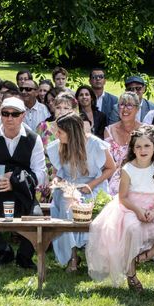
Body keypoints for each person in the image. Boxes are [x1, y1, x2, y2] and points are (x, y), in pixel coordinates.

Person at [85, 125, 154, 291]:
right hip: (130, 207)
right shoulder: (128, 169)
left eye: (147, 146)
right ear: (133, 150)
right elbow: (122, 197)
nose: (143, 150)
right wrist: (138, 211)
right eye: (138, 146)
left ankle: (149, 254)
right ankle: (131, 272)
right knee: (132, 229)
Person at [0, 97, 47, 270]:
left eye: (14, 114)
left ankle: (24, 255)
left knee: (37, 218)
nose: (9, 118)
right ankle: (2, 251)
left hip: (23, 189)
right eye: (5, 113)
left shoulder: (33, 139)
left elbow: (41, 174)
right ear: (1, 114)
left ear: (23, 115)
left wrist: (14, 181)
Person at [48, 113, 114, 271]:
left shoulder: (96, 144)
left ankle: (90, 253)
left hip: (94, 185)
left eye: (60, 132)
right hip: (71, 186)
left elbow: (111, 168)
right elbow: (59, 173)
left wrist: (91, 185)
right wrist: (56, 181)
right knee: (65, 202)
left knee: (81, 203)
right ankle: (72, 256)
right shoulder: (60, 145)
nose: (57, 135)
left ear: (71, 132)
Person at [104, 91, 142, 196]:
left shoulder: (145, 130)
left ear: (137, 109)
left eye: (129, 105)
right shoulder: (109, 130)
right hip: (113, 176)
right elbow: (106, 161)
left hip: (139, 174)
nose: (124, 109)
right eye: (121, 105)